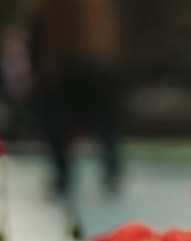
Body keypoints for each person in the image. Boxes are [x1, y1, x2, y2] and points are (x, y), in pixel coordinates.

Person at [24, 0, 123, 198]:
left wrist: (45, 63)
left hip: (69, 62)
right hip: (98, 61)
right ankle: (109, 170)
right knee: (103, 121)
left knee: (58, 121)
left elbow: (45, 27)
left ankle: (65, 173)